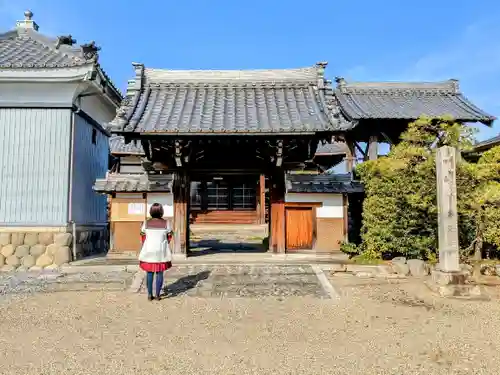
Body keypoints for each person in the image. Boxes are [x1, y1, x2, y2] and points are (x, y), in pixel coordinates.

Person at [138, 203, 173, 301]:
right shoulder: (166, 223)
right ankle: (157, 295)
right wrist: (165, 242)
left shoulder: (146, 223)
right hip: (161, 251)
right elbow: (169, 236)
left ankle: (149, 295)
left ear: (151, 211)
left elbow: (143, 236)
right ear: (161, 211)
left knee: (149, 273)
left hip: (149, 250)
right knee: (159, 273)